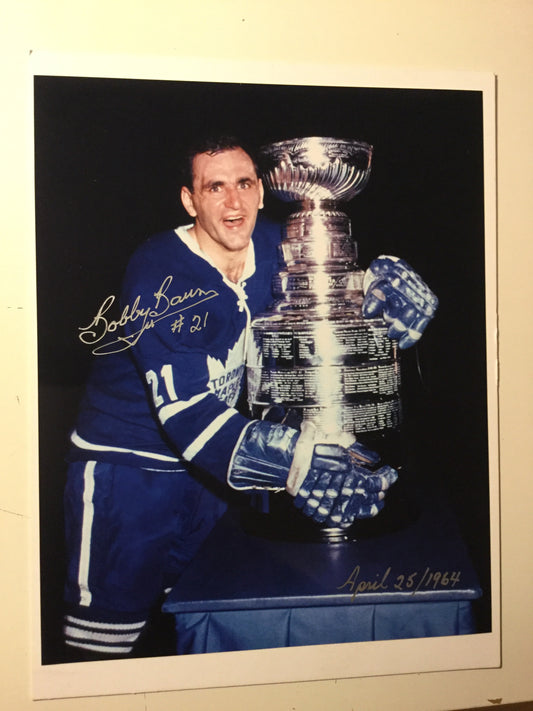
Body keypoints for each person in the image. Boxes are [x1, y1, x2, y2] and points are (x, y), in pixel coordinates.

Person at [63, 135, 437, 660]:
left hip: (210, 478)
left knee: (196, 616)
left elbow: (324, 305)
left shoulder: (273, 246)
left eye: (243, 183)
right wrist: (298, 461)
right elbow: (188, 414)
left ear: (262, 191)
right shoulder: (161, 271)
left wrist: (378, 295)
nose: (233, 202)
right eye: (214, 187)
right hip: (129, 470)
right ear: (191, 201)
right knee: (107, 636)